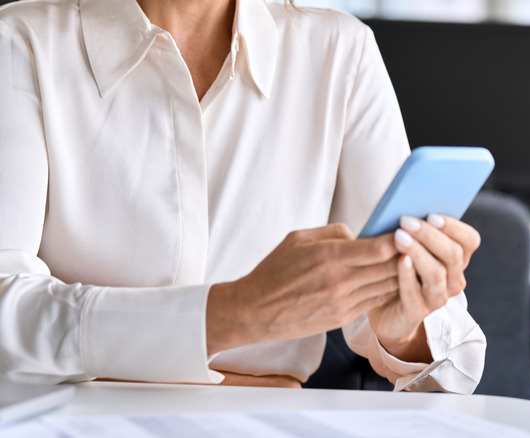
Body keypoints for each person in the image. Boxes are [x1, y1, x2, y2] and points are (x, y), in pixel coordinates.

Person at [0, 0, 486, 393]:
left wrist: (402, 328)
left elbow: (455, 361)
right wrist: (237, 313)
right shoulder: (21, 42)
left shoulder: (340, 53)